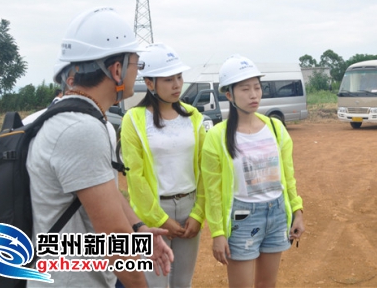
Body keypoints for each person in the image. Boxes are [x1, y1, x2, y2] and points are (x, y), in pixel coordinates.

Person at [26, 7, 173, 287]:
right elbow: (114, 236)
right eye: (136, 65)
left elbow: (104, 189)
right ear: (116, 70)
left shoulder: (76, 115)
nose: (137, 73)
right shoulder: (80, 129)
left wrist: (140, 230)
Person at [201, 55, 305, 288]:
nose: (254, 94)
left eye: (257, 87)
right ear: (229, 95)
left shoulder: (276, 129)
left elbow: (288, 176)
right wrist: (217, 232)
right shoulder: (217, 136)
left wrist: (297, 210)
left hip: (277, 213)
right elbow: (213, 191)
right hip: (242, 218)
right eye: (245, 89)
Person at [120, 43, 206, 288]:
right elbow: (134, 177)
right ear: (149, 83)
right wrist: (159, 219)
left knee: (182, 282)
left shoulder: (194, 117)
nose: (177, 84)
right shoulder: (133, 120)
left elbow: (204, 170)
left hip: (190, 208)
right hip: (152, 212)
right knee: (155, 282)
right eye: (168, 79)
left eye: (179, 77)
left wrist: (199, 213)